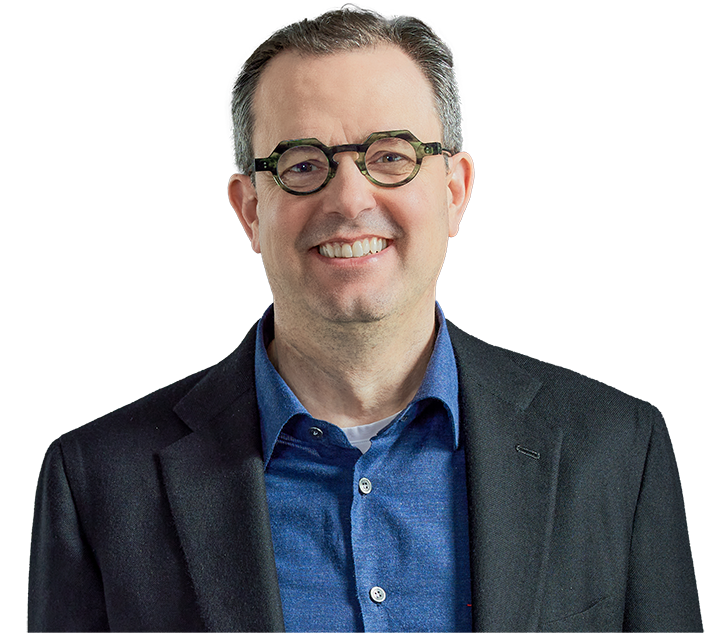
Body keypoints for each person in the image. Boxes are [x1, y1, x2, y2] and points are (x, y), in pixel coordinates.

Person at [28, 5, 703, 632]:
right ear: (249, 208)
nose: (350, 199)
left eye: (390, 156)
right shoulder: (96, 479)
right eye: (301, 164)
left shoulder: (617, 449)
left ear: (455, 190)